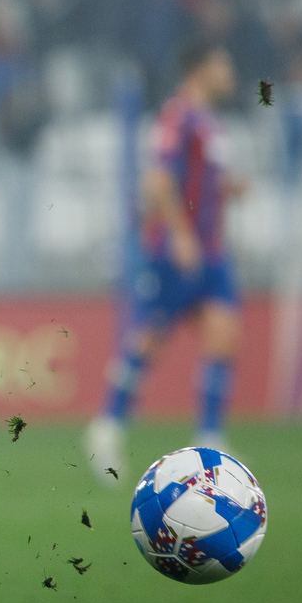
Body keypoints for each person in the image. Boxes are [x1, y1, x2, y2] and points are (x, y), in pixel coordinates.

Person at [86, 39, 243, 478]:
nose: (230, 71)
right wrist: (178, 234)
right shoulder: (179, 117)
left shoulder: (211, 123)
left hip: (212, 253)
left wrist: (230, 190)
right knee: (150, 339)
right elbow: (158, 182)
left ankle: (211, 440)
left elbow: (201, 183)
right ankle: (108, 426)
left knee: (224, 333)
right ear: (201, 68)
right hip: (178, 250)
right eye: (223, 62)